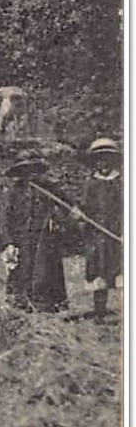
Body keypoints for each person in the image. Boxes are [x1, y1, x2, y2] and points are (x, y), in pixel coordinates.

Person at [0, 156, 67, 313]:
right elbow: (4, 218)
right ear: (20, 173)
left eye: (33, 171)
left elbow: (69, 206)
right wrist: (8, 241)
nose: (30, 175)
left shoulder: (49, 188)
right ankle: (19, 303)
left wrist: (56, 219)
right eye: (25, 171)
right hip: (21, 237)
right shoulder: (13, 192)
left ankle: (46, 305)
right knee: (21, 269)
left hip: (44, 236)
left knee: (44, 270)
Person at [81, 137, 122, 321]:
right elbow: (84, 207)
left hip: (118, 233)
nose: (103, 164)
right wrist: (82, 217)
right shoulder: (91, 183)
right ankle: (99, 313)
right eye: (99, 159)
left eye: (107, 159)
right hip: (97, 236)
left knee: (122, 270)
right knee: (99, 272)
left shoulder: (121, 182)